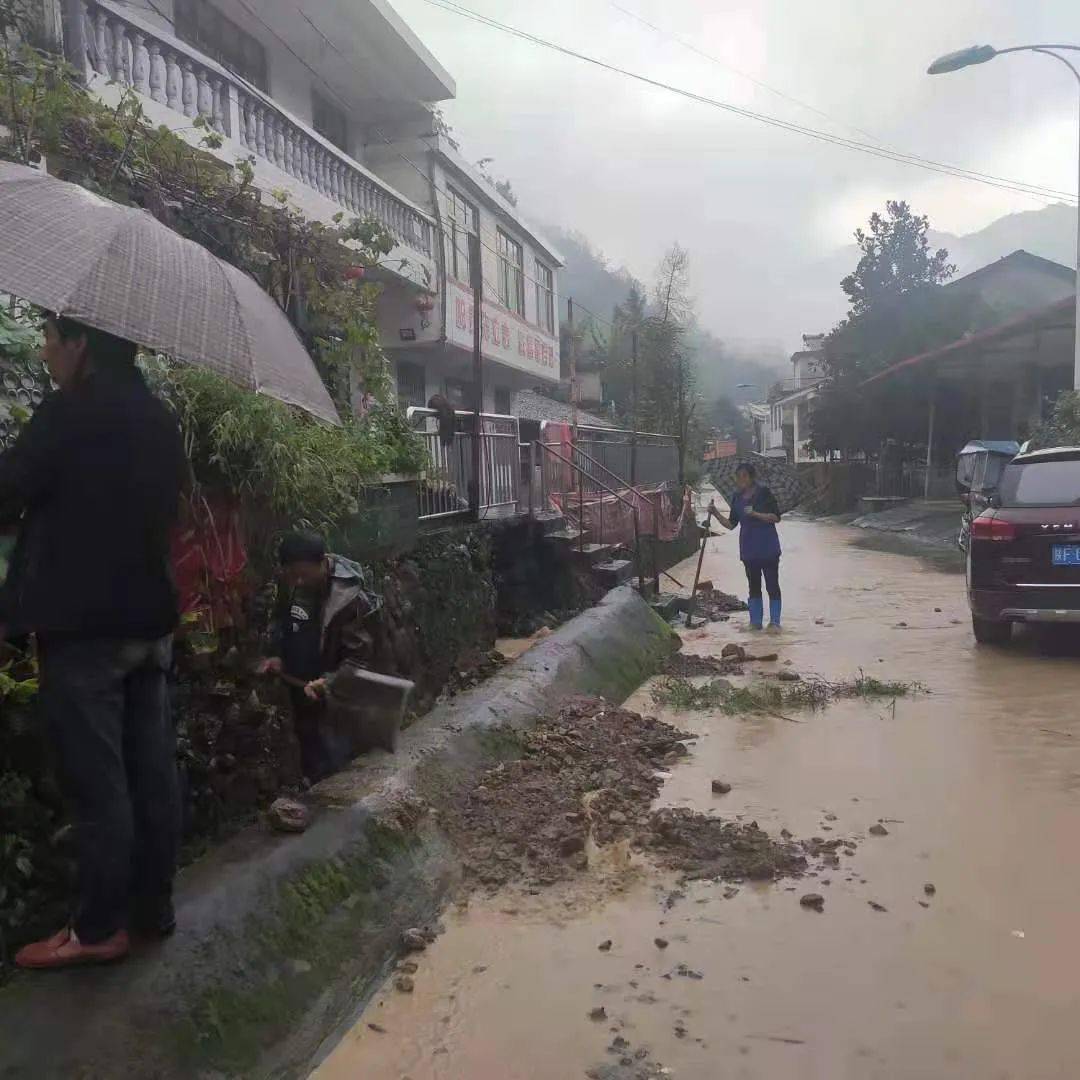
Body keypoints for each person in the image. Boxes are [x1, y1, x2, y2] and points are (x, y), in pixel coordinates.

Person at [3, 315, 187, 970]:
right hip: (149, 624)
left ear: (81, 345)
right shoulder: (159, 419)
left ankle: (98, 927)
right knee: (151, 772)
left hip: (83, 631)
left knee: (98, 782)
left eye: (53, 337)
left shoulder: (66, 413)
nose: (46, 349)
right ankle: (152, 909)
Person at [258, 532, 381, 782]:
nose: (299, 582)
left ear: (323, 562)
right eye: (293, 576)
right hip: (300, 688)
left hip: (336, 697)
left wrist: (329, 683)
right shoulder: (290, 582)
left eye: (304, 574)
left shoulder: (349, 598)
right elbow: (280, 619)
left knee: (339, 761)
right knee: (310, 754)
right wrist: (276, 655)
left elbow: (359, 658)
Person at [709, 462, 783, 633]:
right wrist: (715, 512)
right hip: (749, 550)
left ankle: (775, 623)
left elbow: (776, 517)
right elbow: (731, 524)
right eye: (738, 476)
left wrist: (756, 514)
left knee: (772, 585)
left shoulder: (764, 493)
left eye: (744, 476)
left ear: (752, 477)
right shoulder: (736, 497)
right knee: (753, 587)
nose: (740, 479)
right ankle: (755, 623)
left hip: (768, 548)